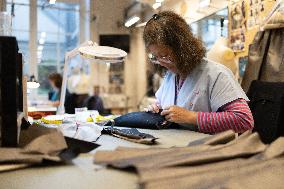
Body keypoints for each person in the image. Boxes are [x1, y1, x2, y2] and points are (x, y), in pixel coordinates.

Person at [143, 11, 254, 134]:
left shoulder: (216, 75)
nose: (162, 62)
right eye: (156, 57)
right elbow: (165, 104)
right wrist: (156, 108)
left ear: (182, 48)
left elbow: (244, 120)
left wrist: (192, 117)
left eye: (165, 56)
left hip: (208, 149)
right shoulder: (172, 76)